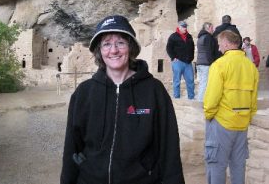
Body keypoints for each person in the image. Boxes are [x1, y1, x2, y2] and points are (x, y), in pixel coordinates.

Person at [60, 15, 185, 184]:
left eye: (120, 42)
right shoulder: (84, 93)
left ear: (130, 47)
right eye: (106, 44)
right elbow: (72, 149)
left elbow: (168, 148)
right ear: (99, 51)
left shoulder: (154, 91)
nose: (113, 50)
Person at [203, 30, 259, 184]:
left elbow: (211, 99)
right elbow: (253, 99)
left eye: (220, 44)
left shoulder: (219, 65)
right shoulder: (251, 66)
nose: (219, 47)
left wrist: (209, 115)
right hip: (242, 124)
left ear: (227, 43)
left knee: (216, 166)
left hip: (222, 122)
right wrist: (248, 116)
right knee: (238, 166)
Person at [166, 20, 195, 99]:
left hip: (188, 62)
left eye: (185, 26)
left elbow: (192, 47)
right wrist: (173, 57)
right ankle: (176, 98)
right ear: (179, 27)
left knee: (191, 81)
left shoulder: (189, 36)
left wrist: (191, 57)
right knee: (177, 81)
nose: (185, 28)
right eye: (183, 27)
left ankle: (191, 98)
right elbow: (168, 48)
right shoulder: (173, 36)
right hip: (178, 62)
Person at [196, 22, 217, 102]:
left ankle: (201, 99)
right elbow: (209, 51)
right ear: (207, 28)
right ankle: (201, 101)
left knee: (202, 82)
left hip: (199, 63)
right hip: (206, 63)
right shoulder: (208, 37)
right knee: (205, 83)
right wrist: (212, 63)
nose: (213, 30)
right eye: (212, 28)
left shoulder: (200, 37)